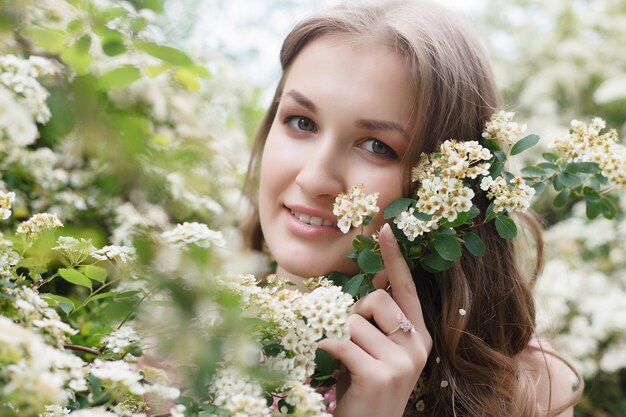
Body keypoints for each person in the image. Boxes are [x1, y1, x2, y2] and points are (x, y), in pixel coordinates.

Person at [243, 0, 583, 415]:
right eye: (301, 122)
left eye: (377, 147)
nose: (313, 179)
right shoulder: (167, 352)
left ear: (449, 188)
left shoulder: (525, 393)